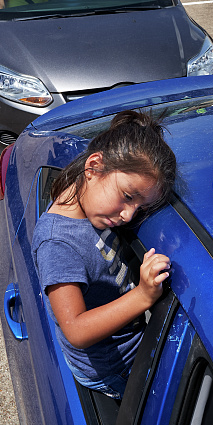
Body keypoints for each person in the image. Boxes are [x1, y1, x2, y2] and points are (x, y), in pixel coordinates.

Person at [32, 110, 177, 400]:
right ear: (94, 167)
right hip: (113, 368)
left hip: (132, 340)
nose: (128, 214)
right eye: (127, 196)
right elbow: (75, 329)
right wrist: (144, 296)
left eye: (140, 207)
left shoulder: (92, 203)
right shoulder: (57, 243)